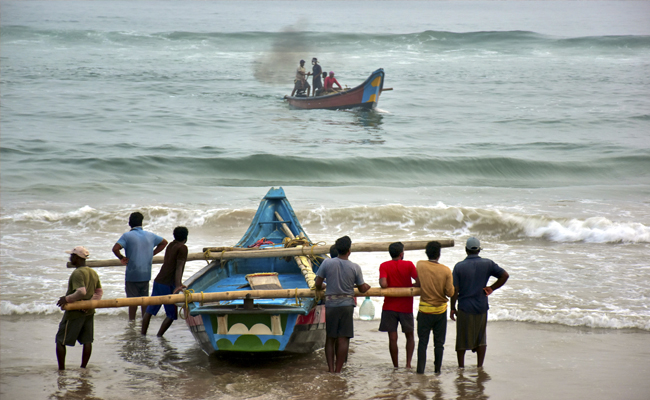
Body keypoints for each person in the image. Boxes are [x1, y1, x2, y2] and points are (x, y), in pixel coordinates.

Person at [450, 237, 509, 368]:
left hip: (465, 307)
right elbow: (505, 275)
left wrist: (452, 308)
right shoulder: (488, 264)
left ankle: (461, 367)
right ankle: (479, 366)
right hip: (481, 306)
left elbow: (455, 289)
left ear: (466, 250)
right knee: (481, 338)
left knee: (462, 338)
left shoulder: (459, 267)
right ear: (478, 250)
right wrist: (492, 288)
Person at [314, 236, 370, 373]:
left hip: (331, 304)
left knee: (330, 338)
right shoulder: (355, 267)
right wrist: (367, 286)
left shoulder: (327, 263)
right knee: (343, 339)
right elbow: (362, 288)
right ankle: (338, 370)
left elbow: (317, 283)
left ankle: (331, 369)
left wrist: (323, 287)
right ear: (349, 250)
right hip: (347, 305)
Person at [112, 212, 168, 321]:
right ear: (141, 223)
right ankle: (144, 322)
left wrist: (121, 257)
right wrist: (152, 253)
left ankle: (132, 323)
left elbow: (115, 249)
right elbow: (164, 242)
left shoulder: (127, 236)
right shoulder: (150, 235)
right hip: (146, 274)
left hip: (132, 274)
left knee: (132, 302)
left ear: (129, 223)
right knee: (144, 301)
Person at [55, 246, 103, 370]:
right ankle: (83, 368)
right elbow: (99, 292)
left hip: (74, 312)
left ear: (77, 258)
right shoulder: (92, 272)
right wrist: (89, 304)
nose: (70, 257)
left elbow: (81, 292)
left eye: (72, 256)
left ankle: (61, 370)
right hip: (89, 311)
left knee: (61, 340)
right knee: (87, 340)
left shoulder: (77, 273)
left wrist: (66, 299)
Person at [415, 241, 454, 374]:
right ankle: (437, 371)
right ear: (439, 254)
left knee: (422, 343)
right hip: (440, 311)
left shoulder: (420, 264)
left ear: (426, 253)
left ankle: (420, 370)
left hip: (424, 310)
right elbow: (450, 293)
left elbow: (418, 281)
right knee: (439, 344)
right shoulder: (446, 270)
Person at [141, 226, 189, 336]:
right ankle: (159, 336)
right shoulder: (183, 248)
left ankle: (143, 335)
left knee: (150, 311)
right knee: (171, 315)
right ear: (186, 237)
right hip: (167, 284)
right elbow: (179, 267)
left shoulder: (171, 245)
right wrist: (178, 285)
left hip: (159, 281)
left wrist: (178, 283)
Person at [378, 242, 418, 368]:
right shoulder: (409, 264)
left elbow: (383, 284)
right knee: (410, 336)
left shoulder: (384, 265)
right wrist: (410, 287)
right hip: (406, 306)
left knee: (392, 338)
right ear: (402, 253)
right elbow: (419, 281)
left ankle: (395, 366)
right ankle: (408, 364)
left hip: (389, 306)